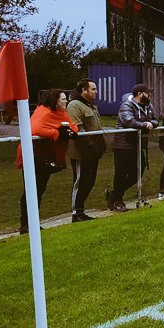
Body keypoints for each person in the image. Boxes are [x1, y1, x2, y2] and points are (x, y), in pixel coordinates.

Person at [17, 88, 78, 233]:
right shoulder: (43, 112)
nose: (66, 101)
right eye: (63, 99)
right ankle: (26, 224)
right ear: (55, 101)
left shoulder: (61, 113)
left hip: (46, 155)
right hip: (34, 155)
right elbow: (35, 129)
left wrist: (70, 132)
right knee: (32, 190)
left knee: (40, 189)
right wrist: (57, 132)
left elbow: (73, 127)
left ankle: (32, 222)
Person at [108, 84, 160, 212]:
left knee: (138, 171)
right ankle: (118, 200)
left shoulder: (148, 106)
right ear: (139, 94)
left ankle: (114, 194)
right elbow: (129, 122)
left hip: (137, 144)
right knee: (121, 173)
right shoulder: (127, 105)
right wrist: (145, 124)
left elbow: (156, 120)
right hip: (123, 144)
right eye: (147, 93)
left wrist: (150, 123)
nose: (150, 95)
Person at [66, 78, 106, 221]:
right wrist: (91, 146)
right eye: (93, 89)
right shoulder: (74, 106)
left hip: (93, 151)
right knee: (80, 180)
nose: (96, 92)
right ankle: (77, 213)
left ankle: (81, 210)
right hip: (81, 152)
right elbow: (78, 129)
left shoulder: (90, 105)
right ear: (84, 90)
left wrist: (99, 146)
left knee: (90, 181)